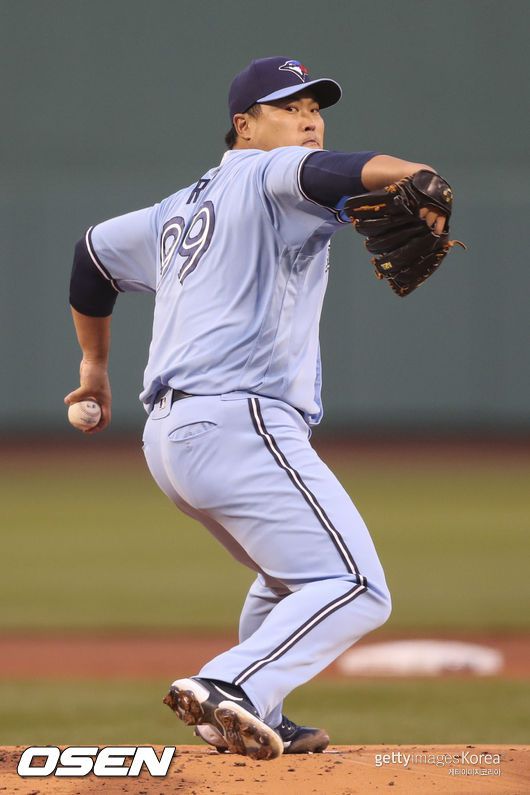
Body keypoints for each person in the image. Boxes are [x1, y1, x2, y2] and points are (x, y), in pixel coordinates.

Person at [66, 56, 448, 761]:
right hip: (242, 423)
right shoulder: (264, 170)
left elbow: (92, 257)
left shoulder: (176, 208)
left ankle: (252, 706)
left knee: (290, 575)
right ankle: (231, 684)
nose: (309, 120)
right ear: (246, 125)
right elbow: (326, 172)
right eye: (288, 106)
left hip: (173, 440)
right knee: (356, 585)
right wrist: (410, 174)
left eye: (315, 107)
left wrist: (93, 368)